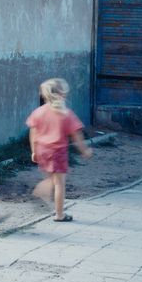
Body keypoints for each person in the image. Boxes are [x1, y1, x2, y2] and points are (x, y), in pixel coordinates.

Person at [26, 78, 93, 223]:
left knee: (50, 179)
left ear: (44, 95)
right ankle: (59, 214)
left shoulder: (38, 112)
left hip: (42, 150)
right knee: (59, 184)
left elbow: (33, 132)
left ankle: (42, 191)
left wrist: (34, 150)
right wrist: (84, 150)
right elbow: (76, 135)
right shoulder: (66, 113)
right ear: (62, 94)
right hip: (57, 152)